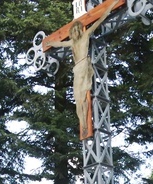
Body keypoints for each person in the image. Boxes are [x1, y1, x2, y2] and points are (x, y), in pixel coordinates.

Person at [45, 0, 116, 139]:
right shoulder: (72, 42)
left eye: (76, 29)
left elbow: (99, 20)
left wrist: (111, 6)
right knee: (79, 100)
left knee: (83, 98)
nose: (75, 31)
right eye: (74, 30)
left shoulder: (85, 35)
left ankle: (84, 124)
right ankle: (83, 124)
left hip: (83, 66)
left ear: (78, 29)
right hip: (77, 69)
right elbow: (59, 43)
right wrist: (49, 43)